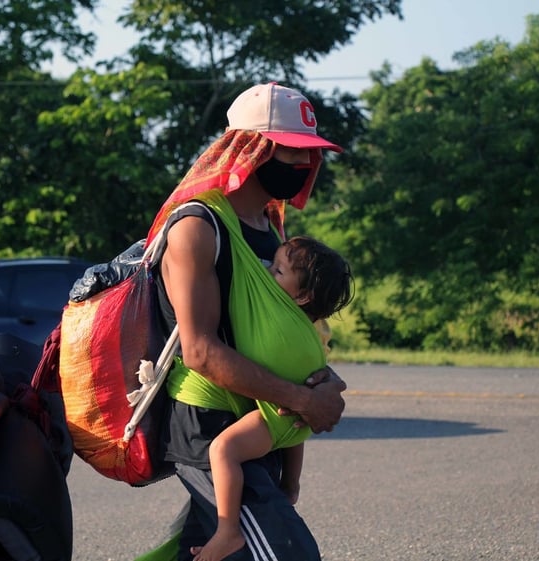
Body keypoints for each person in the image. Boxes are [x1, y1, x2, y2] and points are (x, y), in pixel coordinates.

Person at [142, 82, 348, 561]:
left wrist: (321, 383)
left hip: (259, 416)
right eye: (292, 153)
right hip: (211, 424)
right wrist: (303, 400)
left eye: (309, 155)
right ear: (250, 147)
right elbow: (200, 350)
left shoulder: (270, 229)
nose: (303, 166)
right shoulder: (199, 227)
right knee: (287, 552)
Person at [193, 236, 354, 561]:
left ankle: (228, 532)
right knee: (293, 434)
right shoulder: (315, 327)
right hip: (297, 419)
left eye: (278, 271)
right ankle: (291, 485)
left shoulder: (280, 326)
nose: (266, 271)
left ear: (303, 296)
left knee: (223, 451)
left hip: (280, 414)